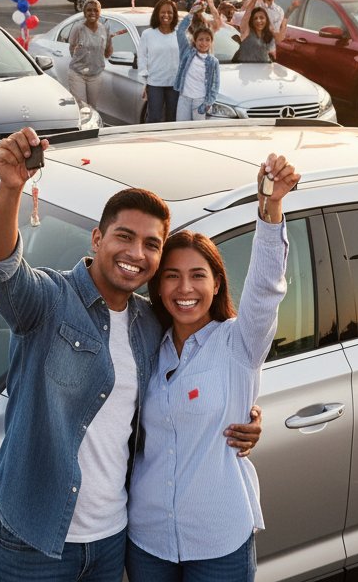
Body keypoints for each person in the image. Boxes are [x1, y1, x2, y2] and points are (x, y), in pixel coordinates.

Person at [0, 127, 262, 582]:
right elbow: (0, 270)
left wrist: (245, 413)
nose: (136, 253)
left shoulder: (151, 324)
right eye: (124, 237)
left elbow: (193, 378)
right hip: (34, 537)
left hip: (112, 540)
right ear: (96, 238)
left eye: (151, 245)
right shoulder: (50, 301)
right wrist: (12, 189)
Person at [127, 153, 301, 582]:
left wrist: (271, 207)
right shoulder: (147, 344)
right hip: (147, 538)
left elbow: (265, 288)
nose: (184, 288)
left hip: (218, 541)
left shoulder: (239, 343)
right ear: (157, 285)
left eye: (197, 275)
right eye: (171, 276)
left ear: (217, 282)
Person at [138, 0, 180, 122]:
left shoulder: (179, 34)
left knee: (172, 118)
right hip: (155, 83)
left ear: (174, 15)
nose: (166, 15)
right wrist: (145, 82)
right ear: (157, 14)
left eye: (170, 12)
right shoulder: (148, 34)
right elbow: (142, 58)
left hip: (174, 84)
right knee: (154, 118)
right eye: (163, 12)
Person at [68, 0, 113, 109]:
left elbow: (107, 53)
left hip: (95, 75)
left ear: (99, 12)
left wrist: (110, 40)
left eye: (95, 10)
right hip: (78, 74)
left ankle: (91, 126)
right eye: (89, 10)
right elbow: (72, 48)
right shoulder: (78, 28)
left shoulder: (104, 29)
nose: (92, 13)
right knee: (82, 107)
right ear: (84, 12)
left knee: (92, 108)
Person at [175, 24, 219, 121]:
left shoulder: (213, 61)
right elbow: (180, 32)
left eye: (208, 40)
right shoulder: (187, 53)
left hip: (200, 101)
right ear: (195, 40)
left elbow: (215, 85)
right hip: (184, 99)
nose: (204, 43)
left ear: (211, 42)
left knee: (198, 130)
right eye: (200, 39)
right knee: (182, 129)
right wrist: (190, 15)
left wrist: (209, 103)